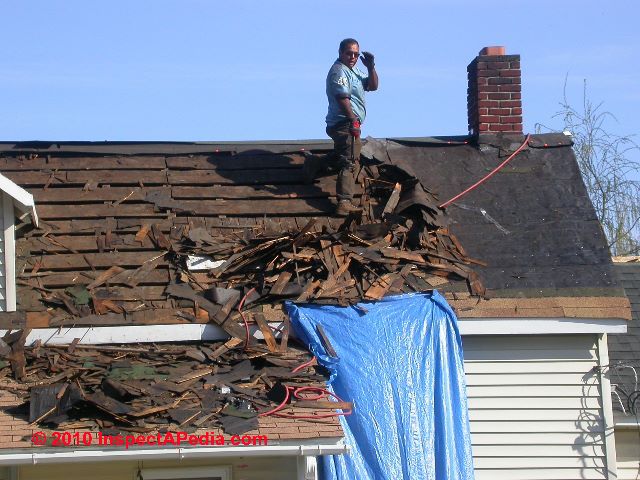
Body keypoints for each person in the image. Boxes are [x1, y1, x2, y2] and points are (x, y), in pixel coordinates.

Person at [325, 38, 378, 216]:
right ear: (340, 53)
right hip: (343, 122)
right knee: (350, 161)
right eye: (349, 53)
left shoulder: (354, 71)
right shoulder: (339, 71)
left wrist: (371, 67)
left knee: (345, 154)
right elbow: (342, 97)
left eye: (356, 54)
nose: (353, 57)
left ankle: (313, 165)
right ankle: (344, 202)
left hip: (349, 122)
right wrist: (353, 121)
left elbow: (373, 86)